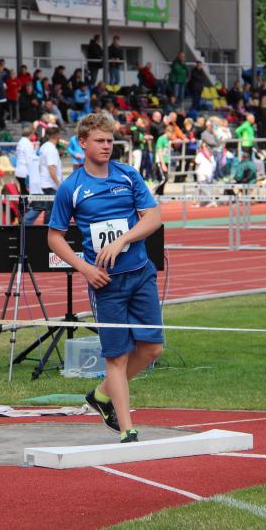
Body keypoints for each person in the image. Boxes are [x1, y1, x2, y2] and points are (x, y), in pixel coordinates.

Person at [47, 113, 163, 443]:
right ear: (82, 143)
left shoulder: (128, 175)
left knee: (152, 349)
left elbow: (153, 217)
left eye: (110, 140)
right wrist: (84, 268)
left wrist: (122, 240)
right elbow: (54, 237)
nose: (107, 146)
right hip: (105, 283)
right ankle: (127, 429)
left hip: (140, 274)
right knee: (117, 356)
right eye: (100, 140)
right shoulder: (71, 188)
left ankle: (100, 395)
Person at [24, 127, 62, 225]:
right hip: (50, 184)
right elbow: (51, 168)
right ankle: (41, 227)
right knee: (48, 210)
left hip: (43, 182)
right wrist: (59, 184)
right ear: (57, 135)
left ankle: (27, 224)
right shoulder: (51, 149)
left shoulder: (44, 146)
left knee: (43, 207)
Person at [14, 124, 36, 194]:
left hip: (19, 171)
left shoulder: (20, 142)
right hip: (25, 172)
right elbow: (29, 159)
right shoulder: (27, 144)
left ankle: (23, 201)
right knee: (27, 193)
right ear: (31, 134)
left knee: (23, 192)